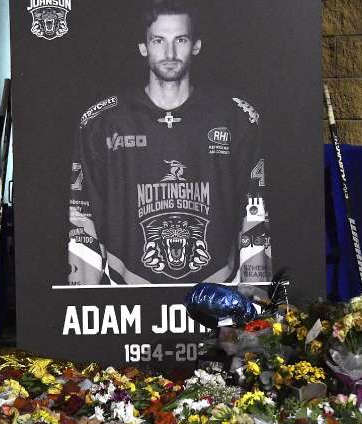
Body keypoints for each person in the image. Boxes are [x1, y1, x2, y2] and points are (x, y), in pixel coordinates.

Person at [67, 0, 271, 285]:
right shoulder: (103, 122)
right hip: (128, 291)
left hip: (217, 288)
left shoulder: (235, 117)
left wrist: (256, 290)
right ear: (143, 47)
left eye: (181, 40)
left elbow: (255, 207)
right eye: (159, 40)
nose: (170, 53)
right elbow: (82, 213)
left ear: (196, 45)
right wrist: (83, 295)